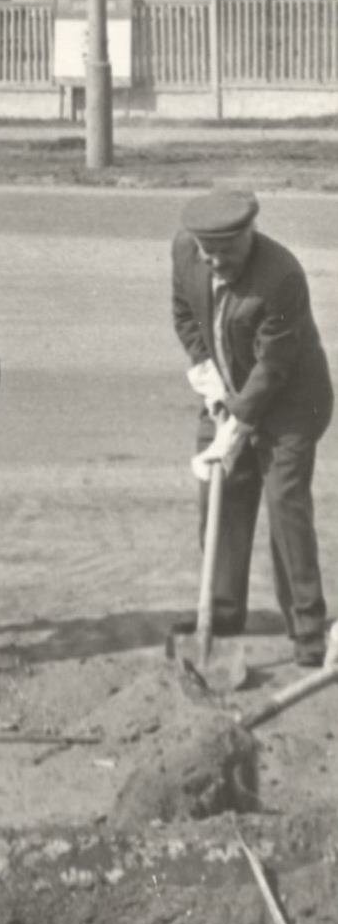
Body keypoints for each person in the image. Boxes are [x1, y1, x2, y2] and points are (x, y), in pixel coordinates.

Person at [171, 190, 333, 669]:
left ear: (250, 236)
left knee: (286, 506)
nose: (216, 261)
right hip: (226, 387)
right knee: (221, 497)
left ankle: (307, 634)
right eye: (209, 251)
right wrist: (207, 375)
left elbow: (274, 366)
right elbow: (184, 314)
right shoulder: (185, 251)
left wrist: (236, 428)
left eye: (228, 251)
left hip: (292, 403)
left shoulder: (281, 276)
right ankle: (220, 616)